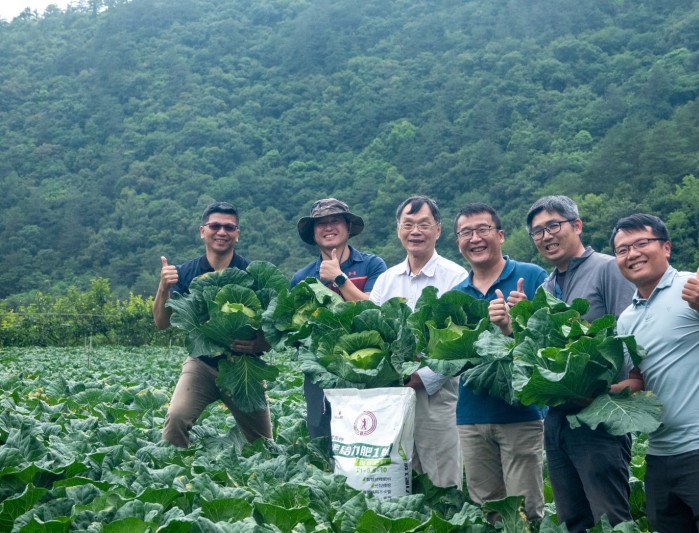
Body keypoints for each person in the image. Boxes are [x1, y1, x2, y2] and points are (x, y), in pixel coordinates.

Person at [611, 213, 699, 533]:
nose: (632, 254)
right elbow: (639, 379)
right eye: (622, 250)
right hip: (659, 455)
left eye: (641, 244)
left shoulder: (694, 285)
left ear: (666, 248)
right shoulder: (626, 319)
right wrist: (600, 394)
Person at [526, 196, 638, 532]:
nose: (546, 236)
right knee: (573, 518)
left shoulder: (607, 268)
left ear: (577, 225)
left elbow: (629, 332)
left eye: (553, 226)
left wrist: (627, 386)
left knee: (608, 518)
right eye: (537, 232)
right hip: (558, 419)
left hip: (598, 416)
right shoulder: (547, 286)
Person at [451, 202, 548, 521]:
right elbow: (447, 358)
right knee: (487, 510)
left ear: (501, 235)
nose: (475, 238)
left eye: (483, 230)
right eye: (466, 232)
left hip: (520, 413)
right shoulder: (456, 295)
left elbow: (551, 342)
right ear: (458, 242)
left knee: (526, 510)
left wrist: (520, 320)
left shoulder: (531, 277)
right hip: (471, 415)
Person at [154, 201, 272, 447]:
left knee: (263, 443)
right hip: (202, 364)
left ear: (237, 234)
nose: (222, 232)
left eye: (229, 228)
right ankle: (176, 475)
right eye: (215, 226)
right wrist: (164, 287)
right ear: (202, 231)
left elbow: (276, 321)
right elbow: (161, 323)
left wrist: (261, 343)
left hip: (244, 367)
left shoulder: (253, 273)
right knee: (176, 418)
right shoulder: (185, 273)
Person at [369, 195, 467, 488]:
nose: (416, 231)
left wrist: (421, 377)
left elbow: (460, 341)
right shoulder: (386, 280)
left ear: (438, 230)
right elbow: (372, 330)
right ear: (398, 230)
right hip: (392, 394)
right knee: (398, 475)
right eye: (408, 224)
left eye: (424, 224)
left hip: (437, 394)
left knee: (441, 477)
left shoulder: (455, 277)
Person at [291, 198, 387, 438]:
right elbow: (292, 329)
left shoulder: (373, 265)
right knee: (320, 433)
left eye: (335, 220)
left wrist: (339, 278)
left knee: (367, 434)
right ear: (313, 233)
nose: (328, 227)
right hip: (319, 370)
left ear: (348, 227)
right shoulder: (301, 278)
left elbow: (375, 312)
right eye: (320, 223)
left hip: (366, 367)